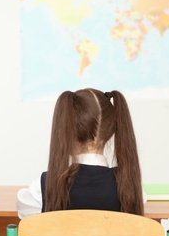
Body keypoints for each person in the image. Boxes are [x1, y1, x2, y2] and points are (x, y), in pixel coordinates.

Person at [17, 88, 145, 219]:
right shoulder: (131, 188)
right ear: (111, 130)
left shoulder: (41, 189)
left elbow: (24, 212)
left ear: (66, 129)